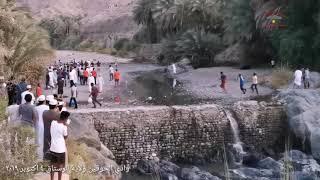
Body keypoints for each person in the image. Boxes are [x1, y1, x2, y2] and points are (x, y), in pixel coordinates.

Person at [49, 111, 70, 180]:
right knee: (60, 165)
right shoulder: (64, 127)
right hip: (60, 148)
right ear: (66, 118)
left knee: (52, 164)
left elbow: (56, 120)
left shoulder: (53, 123)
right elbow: (65, 137)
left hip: (53, 147)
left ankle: (52, 178)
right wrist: (66, 125)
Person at [34, 95, 49, 159]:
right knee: (44, 139)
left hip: (37, 125)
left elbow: (34, 118)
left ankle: (38, 155)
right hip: (45, 125)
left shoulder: (36, 108)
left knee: (38, 139)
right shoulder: (47, 107)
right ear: (44, 101)